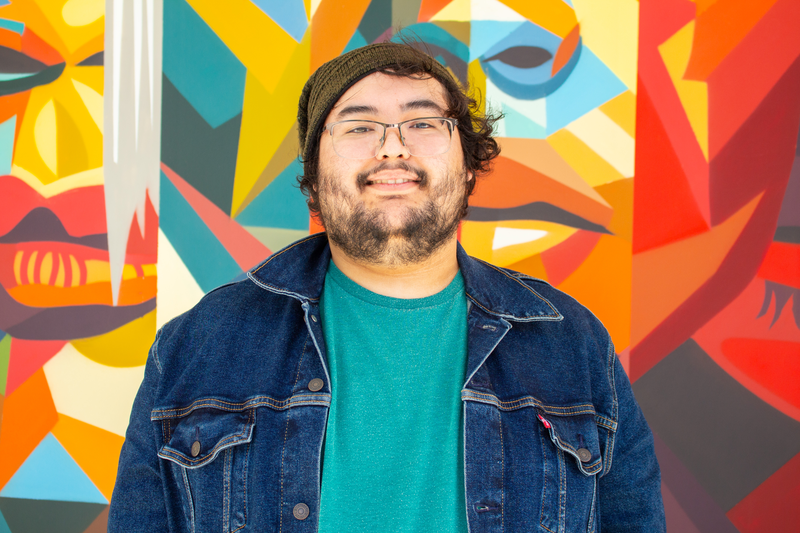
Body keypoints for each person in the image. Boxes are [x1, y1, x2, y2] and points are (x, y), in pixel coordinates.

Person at [109, 42, 665, 532]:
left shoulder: (573, 345)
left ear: (469, 165)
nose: (393, 148)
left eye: (423, 124)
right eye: (359, 127)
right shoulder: (198, 345)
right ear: (314, 173)